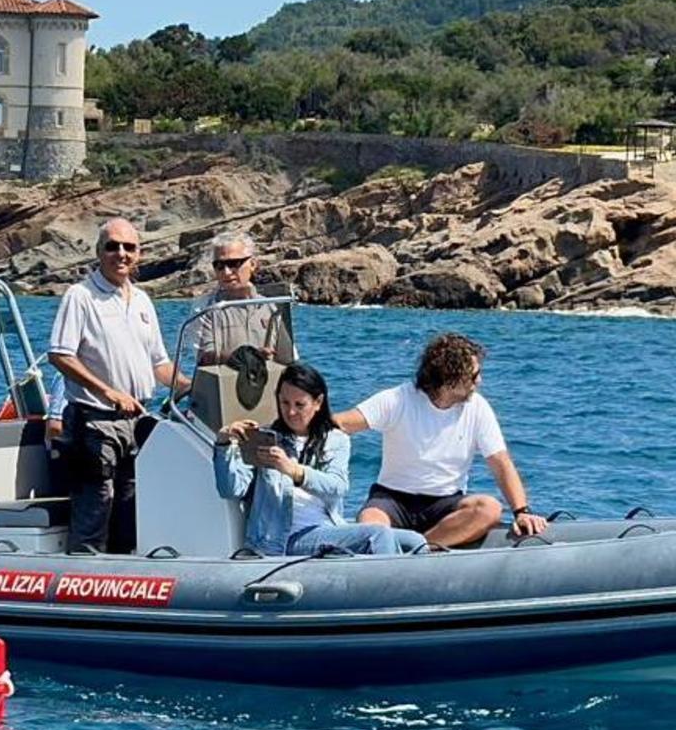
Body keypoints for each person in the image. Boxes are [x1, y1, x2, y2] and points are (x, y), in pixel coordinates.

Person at [335, 333, 547, 549]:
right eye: (474, 376)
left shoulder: (477, 407)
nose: (479, 382)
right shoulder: (397, 399)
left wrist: (522, 512)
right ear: (449, 380)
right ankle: (402, 551)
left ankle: (422, 549)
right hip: (392, 500)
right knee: (371, 522)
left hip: (446, 503)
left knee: (489, 508)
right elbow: (341, 424)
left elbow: (500, 462)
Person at [48, 217, 184, 553]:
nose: (120, 254)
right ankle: (81, 585)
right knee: (95, 509)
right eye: (112, 246)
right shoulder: (80, 296)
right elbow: (60, 355)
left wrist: (197, 386)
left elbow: (160, 366)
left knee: (130, 512)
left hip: (139, 422)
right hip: (94, 422)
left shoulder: (141, 301)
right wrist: (108, 391)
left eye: (129, 247)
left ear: (139, 254)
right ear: (98, 252)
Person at [214, 362, 424, 556]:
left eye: (299, 404)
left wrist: (294, 470)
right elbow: (231, 489)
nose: (291, 411)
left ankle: (415, 593)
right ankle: (386, 593)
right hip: (283, 539)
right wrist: (223, 444)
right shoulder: (266, 439)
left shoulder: (335, 439)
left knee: (415, 541)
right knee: (379, 535)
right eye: (284, 402)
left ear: (318, 402)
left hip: (328, 528)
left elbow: (338, 486)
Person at [189, 232, 294, 366]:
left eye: (234, 263)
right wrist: (245, 357)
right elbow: (204, 358)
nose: (226, 272)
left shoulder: (273, 307)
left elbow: (288, 358)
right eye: (219, 266)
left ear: (253, 264)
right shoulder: (204, 308)